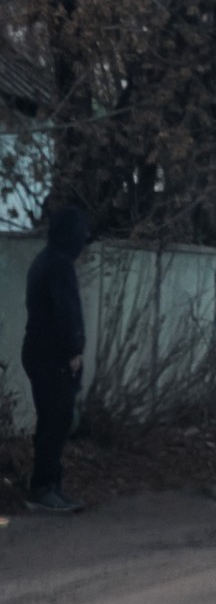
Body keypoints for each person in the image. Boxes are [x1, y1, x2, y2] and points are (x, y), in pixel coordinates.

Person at [20, 205, 89, 513]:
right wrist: (74, 350)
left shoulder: (42, 261)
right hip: (53, 356)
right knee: (56, 421)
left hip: (38, 352)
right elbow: (66, 313)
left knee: (51, 421)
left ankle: (50, 486)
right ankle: (44, 488)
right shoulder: (60, 265)